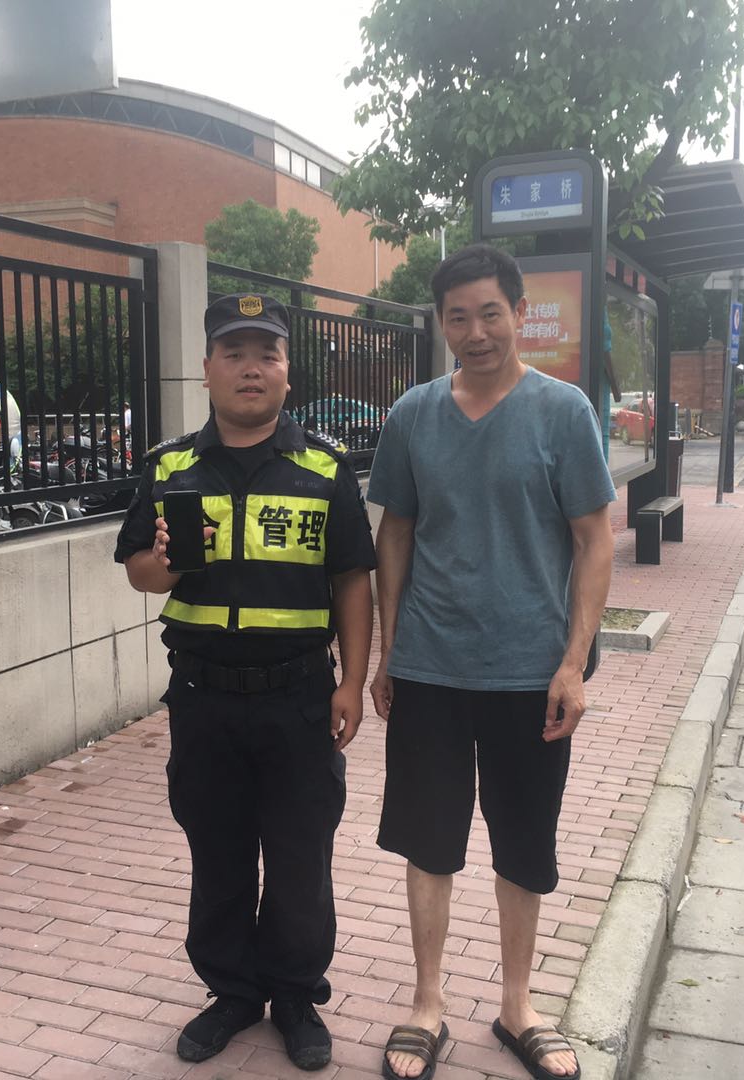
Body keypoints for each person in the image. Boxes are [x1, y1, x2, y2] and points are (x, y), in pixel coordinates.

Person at [370, 245, 615, 1080]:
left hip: (529, 674)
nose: (475, 332)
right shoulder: (412, 415)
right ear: (441, 324)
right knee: (428, 841)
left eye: (489, 314)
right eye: (457, 318)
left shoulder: (562, 411)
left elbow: (594, 540)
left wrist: (574, 663)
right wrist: (388, 653)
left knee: (524, 841)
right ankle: (426, 1003)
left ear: (519, 313)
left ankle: (518, 1005)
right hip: (430, 669)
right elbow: (395, 533)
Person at [114, 293, 376, 1071]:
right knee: (219, 852)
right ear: (207, 370)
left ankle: (294, 994)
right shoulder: (170, 466)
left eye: (267, 354)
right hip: (204, 700)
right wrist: (167, 563)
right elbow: (138, 572)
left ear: (289, 372)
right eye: (234, 353)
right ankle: (232, 991)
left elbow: (352, 580)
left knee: (299, 858)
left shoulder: (324, 468)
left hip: (299, 698)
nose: (251, 369)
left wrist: (352, 682)